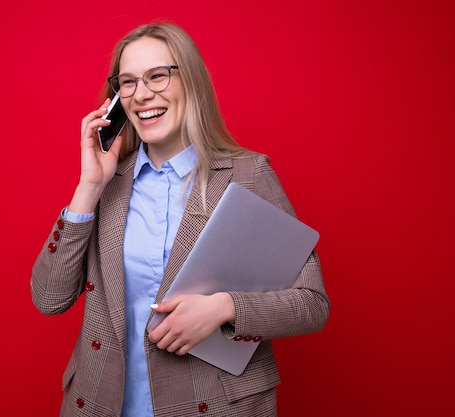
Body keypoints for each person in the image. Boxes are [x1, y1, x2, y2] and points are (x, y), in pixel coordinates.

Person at [31, 21, 330, 417]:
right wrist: (88, 186)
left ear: (189, 81)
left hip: (215, 406)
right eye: (129, 82)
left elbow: (311, 304)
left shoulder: (247, 175)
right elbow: (49, 298)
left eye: (157, 76)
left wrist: (224, 308)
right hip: (105, 404)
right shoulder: (108, 184)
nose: (142, 95)